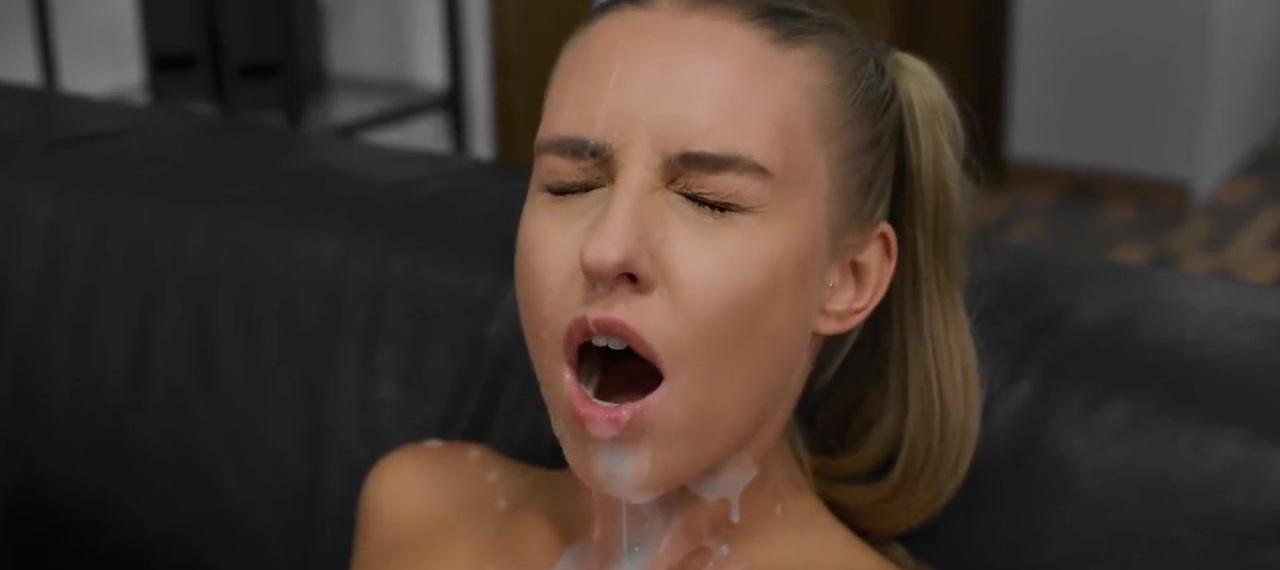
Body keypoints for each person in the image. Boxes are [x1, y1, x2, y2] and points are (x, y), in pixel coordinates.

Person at [349, 0, 981, 568]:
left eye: (708, 200)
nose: (604, 250)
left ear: (847, 280)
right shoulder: (416, 511)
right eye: (571, 185)